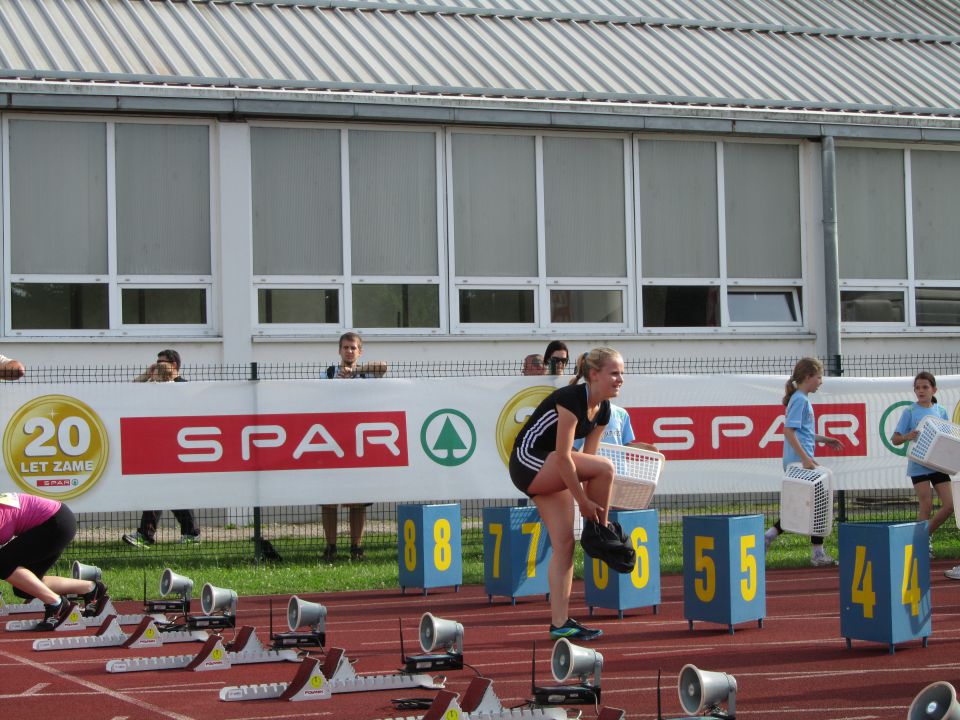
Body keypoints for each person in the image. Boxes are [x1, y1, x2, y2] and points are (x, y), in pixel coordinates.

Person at [510, 346, 622, 641]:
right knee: (607, 469)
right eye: (614, 373)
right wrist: (585, 504)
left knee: (564, 545)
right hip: (528, 461)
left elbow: (588, 460)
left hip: (553, 466)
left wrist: (589, 503)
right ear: (594, 375)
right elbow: (563, 457)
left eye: (622, 373)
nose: (620, 379)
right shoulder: (573, 398)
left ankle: (560, 623)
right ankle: (602, 531)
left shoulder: (604, 409)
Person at [764, 357, 844, 567]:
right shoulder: (800, 399)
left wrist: (825, 439)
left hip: (801, 460)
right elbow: (789, 431)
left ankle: (770, 536)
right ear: (808, 377)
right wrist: (805, 459)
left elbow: (803, 432)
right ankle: (816, 553)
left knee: (807, 505)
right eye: (819, 377)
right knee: (822, 502)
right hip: (799, 462)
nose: (821, 381)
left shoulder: (801, 399)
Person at [123, 349, 201, 547]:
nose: (157, 364)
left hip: (177, 448)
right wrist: (147, 375)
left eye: (161, 362)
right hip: (158, 449)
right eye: (156, 361)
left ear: (174, 365)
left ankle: (146, 535)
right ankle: (190, 533)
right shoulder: (154, 386)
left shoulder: (184, 386)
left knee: (160, 490)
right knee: (170, 492)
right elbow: (128, 392)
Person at [321, 332, 387, 561]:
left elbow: (384, 367)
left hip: (358, 443)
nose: (349, 351)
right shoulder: (328, 373)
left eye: (353, 348)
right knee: (329, 500)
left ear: (360, 352)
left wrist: (355, 372)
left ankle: (356, 547)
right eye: (345, 347)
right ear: (339, 350)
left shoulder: (367, 373)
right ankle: (330, 547)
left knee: (358, 500)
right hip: (331, 442)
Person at [0, 492, 109, 630]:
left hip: (55, 523)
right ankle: (90, 589)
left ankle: (55, 603)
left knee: (3, 563)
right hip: (58, 522)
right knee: (24, 587)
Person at [891, 372, 954, 567]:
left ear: (934, 390)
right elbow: (895, 438)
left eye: (925, 387)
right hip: (918, 465)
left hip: (938, 464)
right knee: (925, 507)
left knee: (950, 506)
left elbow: (947, 436)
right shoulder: (909, 411)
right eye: (917, 387)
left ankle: (921, 537)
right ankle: (921, 546)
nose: (921, 391)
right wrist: (907, 436)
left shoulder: (941, 410)